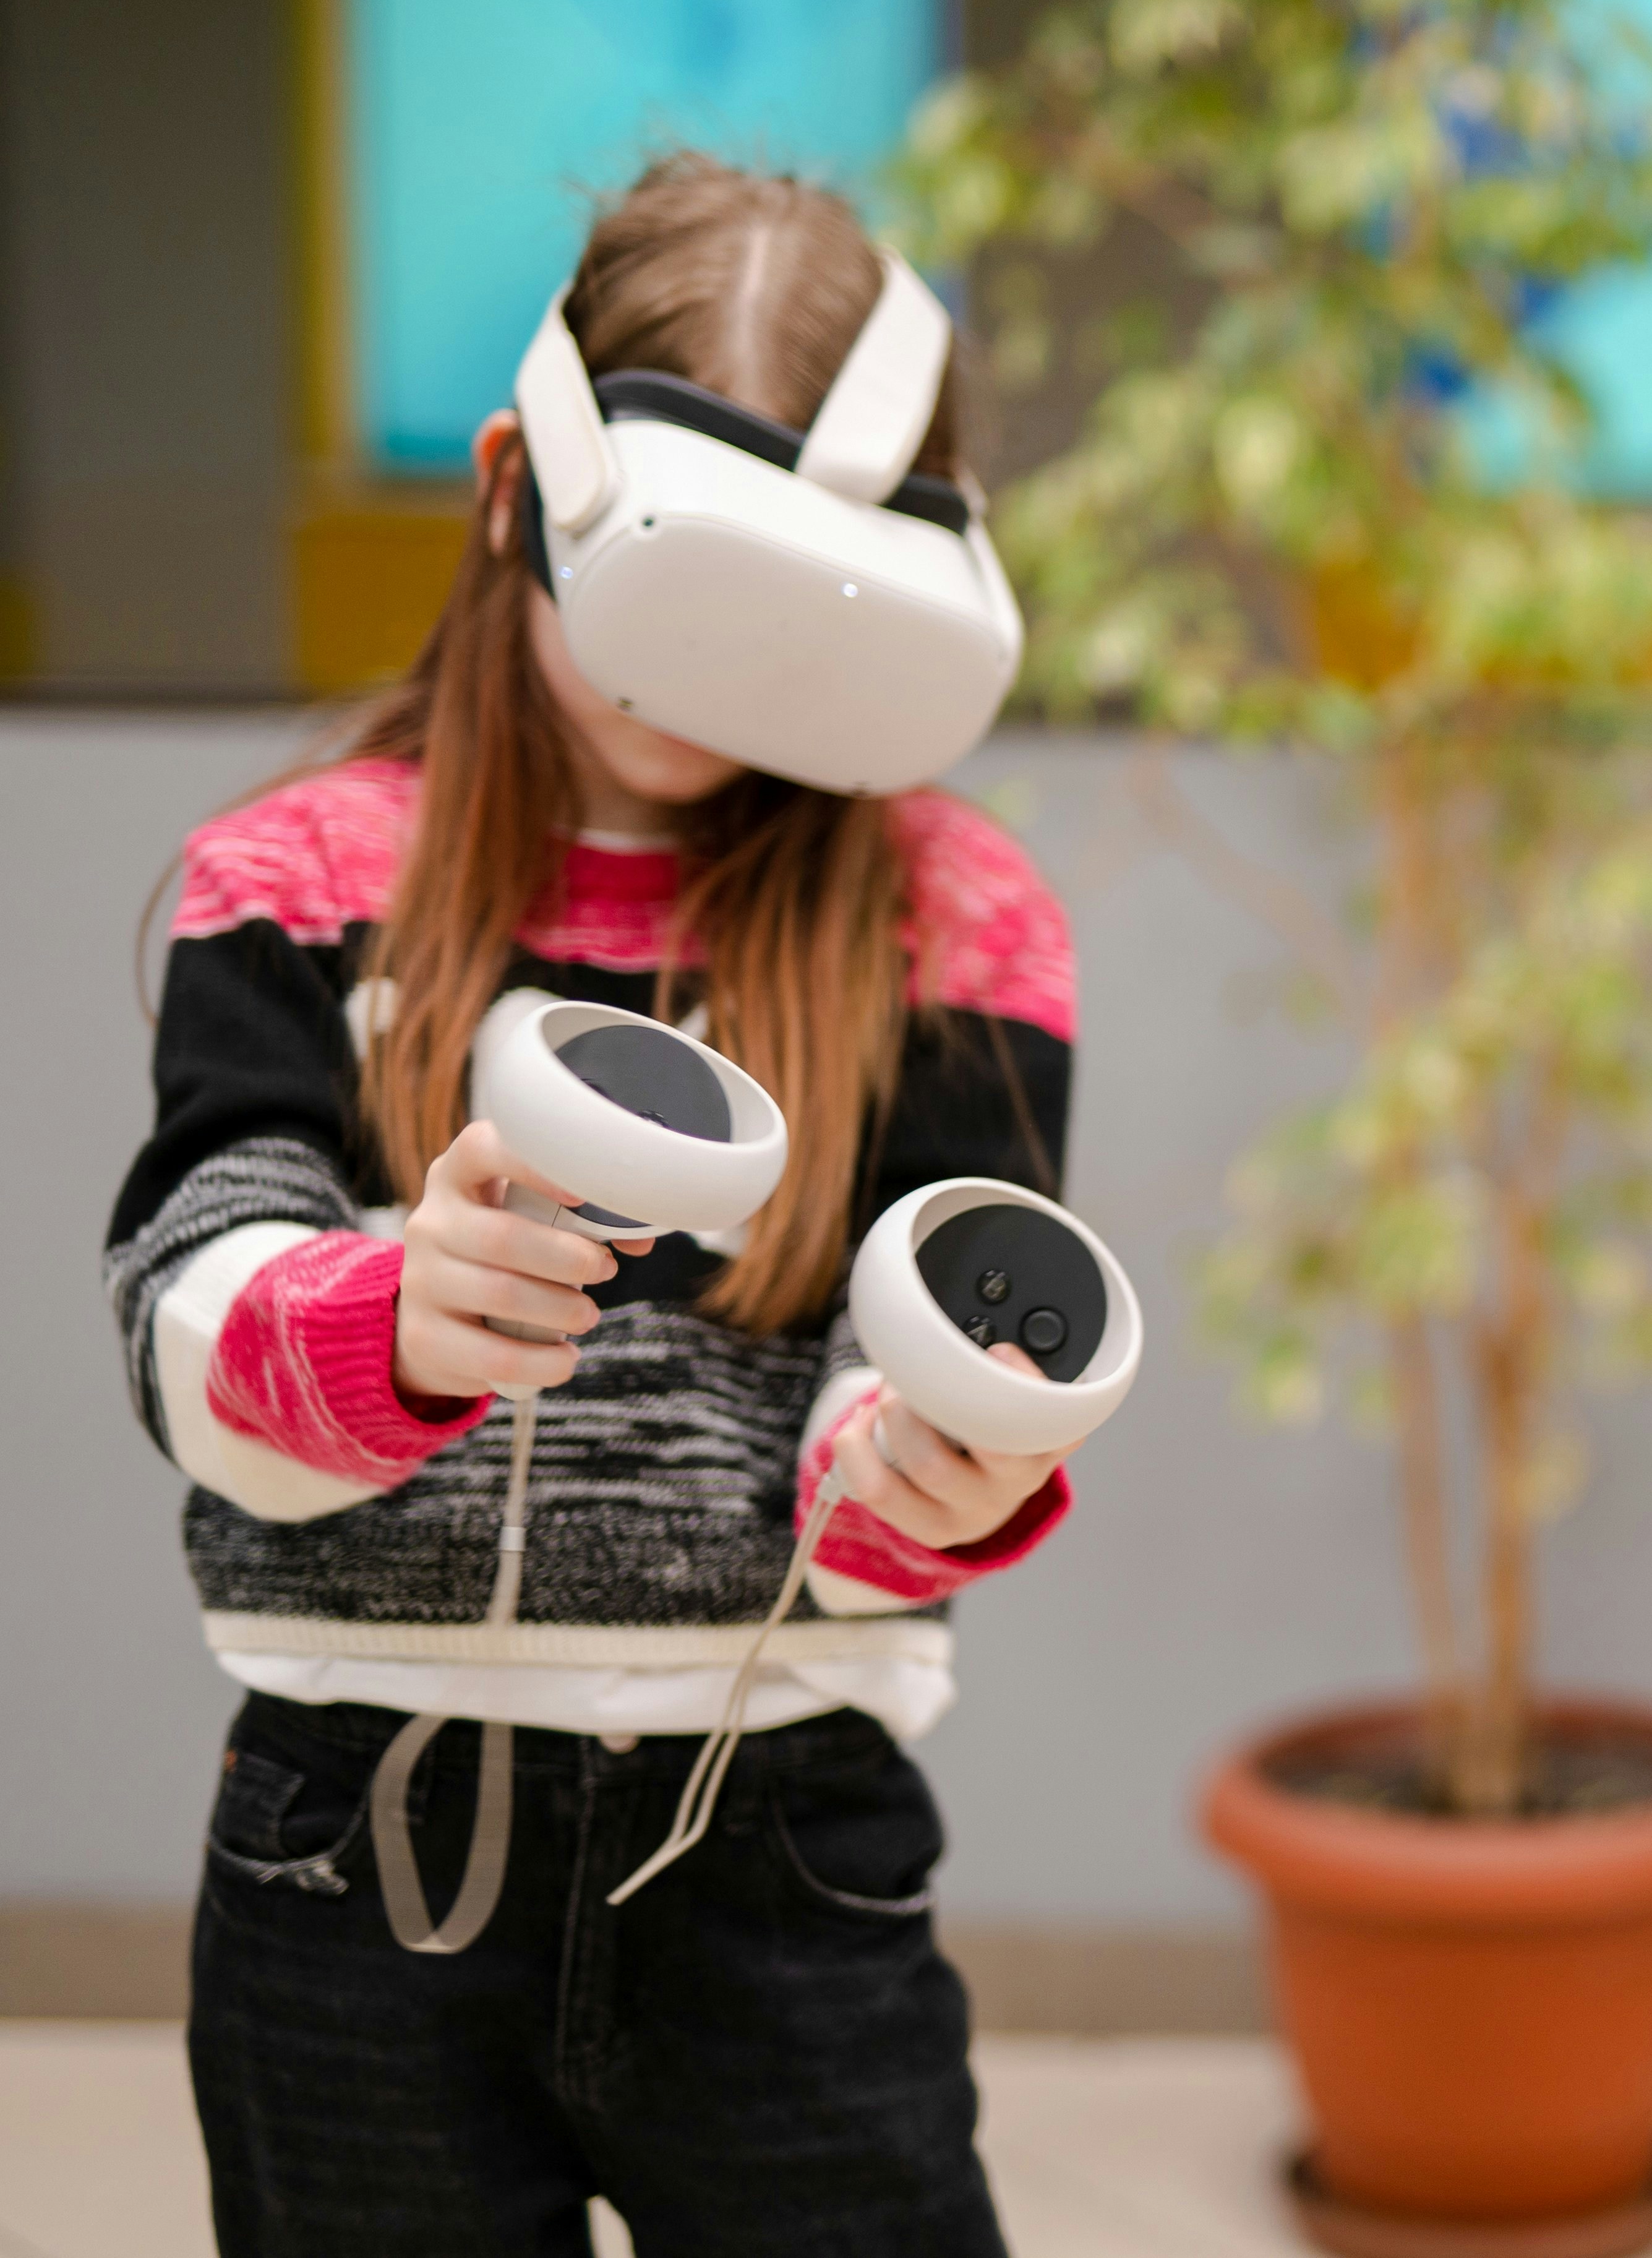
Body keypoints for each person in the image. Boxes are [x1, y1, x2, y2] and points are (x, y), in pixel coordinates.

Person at [106, 155, 1082, 2256]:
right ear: (511, 491)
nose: (719, 715)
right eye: (676, 621)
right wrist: (385, 1315)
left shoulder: (953, 922)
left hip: (782, 1845)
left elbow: (933, 1354)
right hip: (348, 1856)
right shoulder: (292, 877)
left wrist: (932, 1460)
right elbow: (192, 1289)